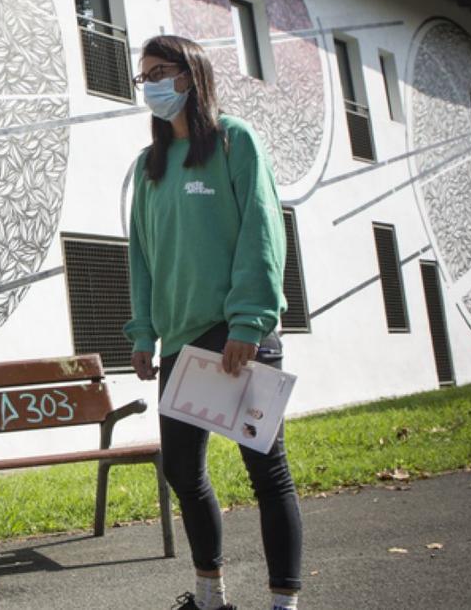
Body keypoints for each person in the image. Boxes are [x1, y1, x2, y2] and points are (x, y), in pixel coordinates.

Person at [125, 36, 302, 610]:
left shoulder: (234, 140)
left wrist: (249, 323)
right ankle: (210, 597)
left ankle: (283, 603)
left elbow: (262, 230)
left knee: (266, 473)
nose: (150, 84)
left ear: (189, 75)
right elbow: (141, 256)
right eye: (142, 76)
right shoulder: (148, 166)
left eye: (159, 72)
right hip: (179, 343)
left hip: (236, 334)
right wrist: (142, 333)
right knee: (181, 470)